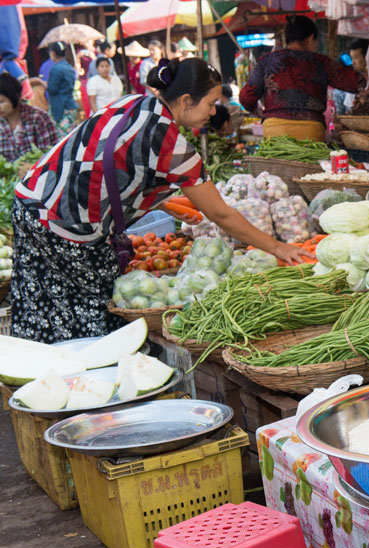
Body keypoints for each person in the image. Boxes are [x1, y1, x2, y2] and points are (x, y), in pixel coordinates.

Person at [11, 58, 311, 342]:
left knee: (41, 305)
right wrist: (277, 247)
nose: (213, 112)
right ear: (185, 101)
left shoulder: (133, 102)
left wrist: (163, 202)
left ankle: (37, 372)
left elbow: (114, 162)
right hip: (65, 226)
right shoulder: (171, 146)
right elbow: (221, 215)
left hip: (29, 201)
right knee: (94, 318)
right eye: (210, 103)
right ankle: (85, 382)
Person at [240, 16, 361, 141]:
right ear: (310, 39)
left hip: (274, 132)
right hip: (310, 132)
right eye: (316, 41)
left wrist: (258, 111)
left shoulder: (267, 61)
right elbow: (355, 83)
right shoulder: (321, 62)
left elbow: (246, 98)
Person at [0, 72, 59, 161]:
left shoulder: (39, 118)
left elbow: (51, 156)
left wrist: (31, 168)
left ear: (17, 97)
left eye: (1, 102)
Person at [45, 42, 77, 134]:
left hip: (60, 107)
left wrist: (42, 83)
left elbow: (52, 88)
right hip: (70, 105)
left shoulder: (56, 68)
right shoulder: (69, 66)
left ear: (53, 53)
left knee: (62, 138)